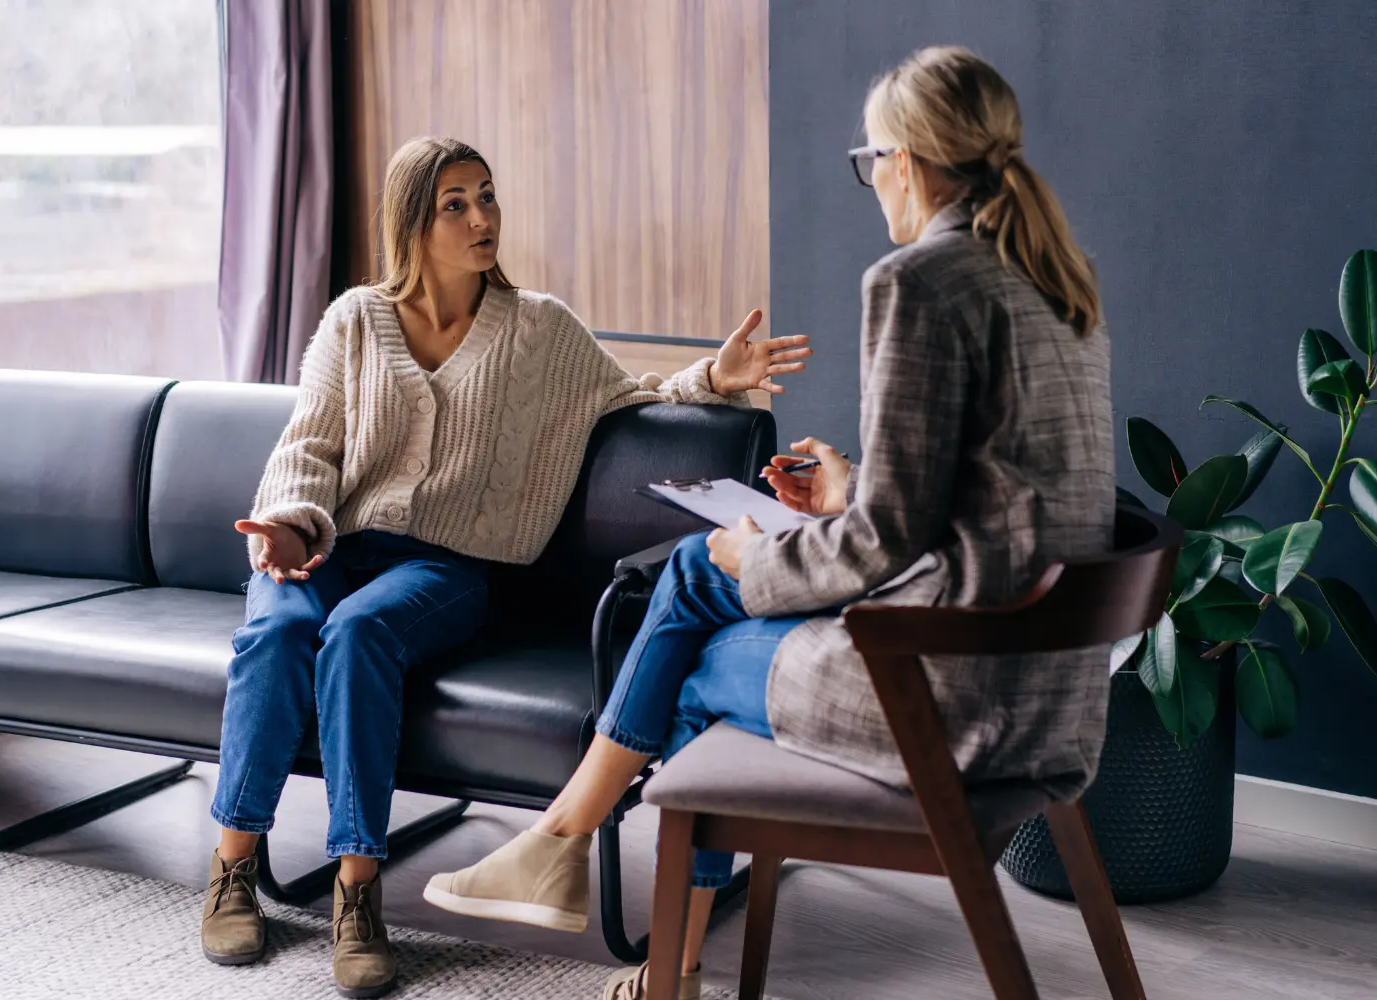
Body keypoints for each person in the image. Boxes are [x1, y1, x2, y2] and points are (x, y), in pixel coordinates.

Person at [425, 46, 1114, 1000]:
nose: (874, 184)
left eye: (871, 163)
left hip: (950, 698)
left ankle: (622, 916)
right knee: (703, 583)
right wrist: (846, 490)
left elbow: (885, 547)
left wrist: (763, 554)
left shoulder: (919, 282)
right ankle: (582, 869)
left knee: (697, 648)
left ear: (905, 162)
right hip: (1047, 694)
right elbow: (987, 497)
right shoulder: (1056, 282)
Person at [198, 136, 813, 997]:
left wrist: (716, 375)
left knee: (358, 634)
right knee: (277, 633)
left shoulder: (537, 330)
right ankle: (232, 867)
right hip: (327, 541)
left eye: (487, 196)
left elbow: (626, 394)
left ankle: (357, 891)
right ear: (413, 220)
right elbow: (310, 446)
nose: (482, 217)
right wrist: (292, 530)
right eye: (456, 203)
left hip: (444, 567)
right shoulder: (353, 320)